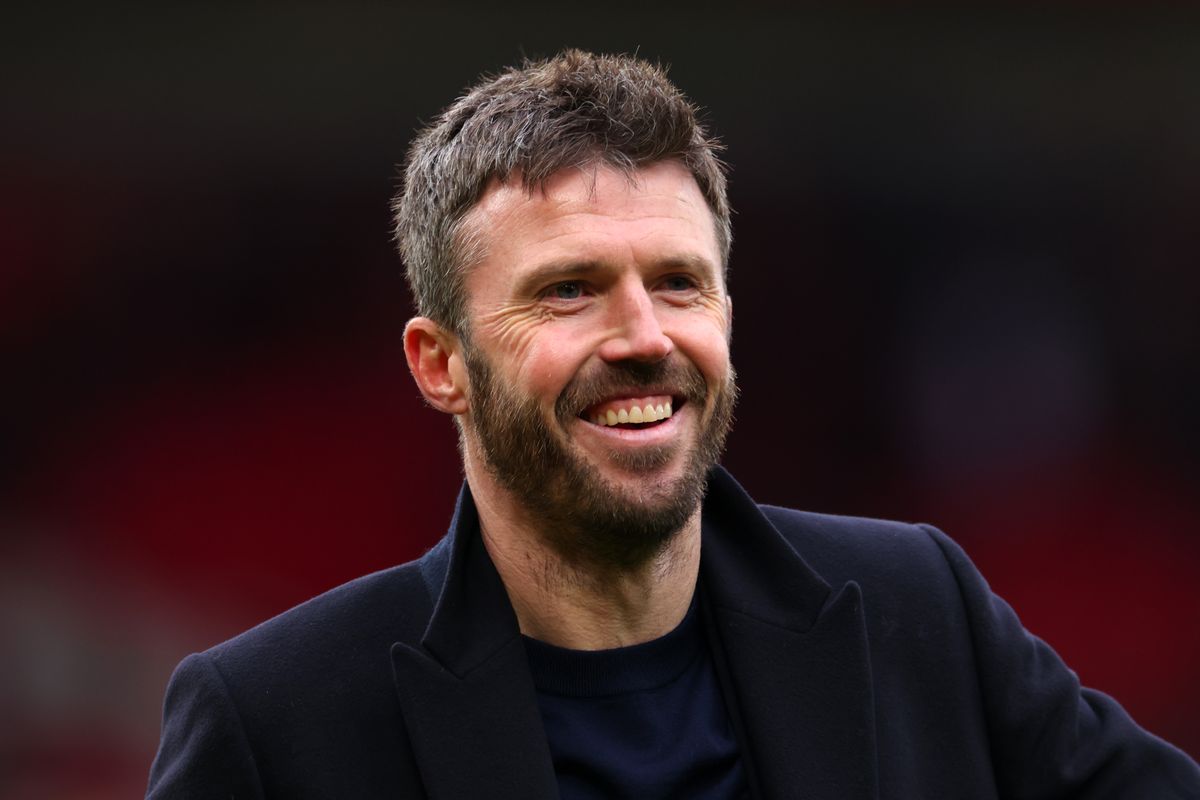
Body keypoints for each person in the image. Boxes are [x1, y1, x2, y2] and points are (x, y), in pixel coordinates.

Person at [146, 50, 1199, 799]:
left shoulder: (921, 612)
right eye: (569, 290)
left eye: (680, 283)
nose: (643, 335)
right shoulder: (275, 721)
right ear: (441, 363)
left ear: (727, 318)